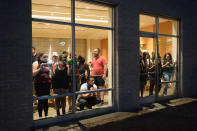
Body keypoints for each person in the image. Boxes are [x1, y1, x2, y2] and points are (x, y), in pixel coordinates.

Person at [33, 53, 52, 118]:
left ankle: (46, 115)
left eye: (47, 57)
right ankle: (40, 116)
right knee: (40, 100)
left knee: (46, 100)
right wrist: (40, 68)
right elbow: (33, 74)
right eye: (44, 57)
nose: (46, 58)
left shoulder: (47, 64)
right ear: (40, 57)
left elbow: (49, 74)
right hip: (39, 85)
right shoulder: (36, 63)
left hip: (47, 84)